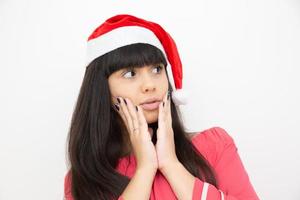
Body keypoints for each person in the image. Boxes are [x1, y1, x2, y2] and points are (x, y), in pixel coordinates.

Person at [64, 14, 259, 200]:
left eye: (157, 69)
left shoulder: (213, 146)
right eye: (130, 74)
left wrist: (171, 164)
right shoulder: (82, 179)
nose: (150, 85)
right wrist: (145, 169)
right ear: (102, 89)